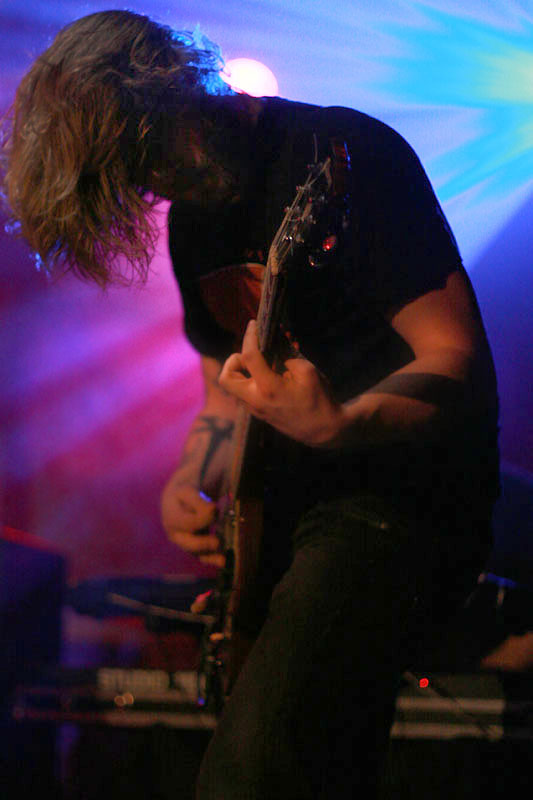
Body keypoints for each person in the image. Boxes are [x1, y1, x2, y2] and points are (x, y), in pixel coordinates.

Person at [1, 10, 500, 799]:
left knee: (251, 775)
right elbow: (224, 386)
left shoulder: (344, 152)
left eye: (145, 158)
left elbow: (456, 358)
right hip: (285, 516)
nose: (151, 186)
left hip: (397, 499)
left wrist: (341, 424)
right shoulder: (192, 220)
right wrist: (191, 477)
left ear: (172, 95)